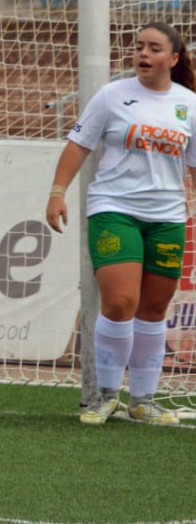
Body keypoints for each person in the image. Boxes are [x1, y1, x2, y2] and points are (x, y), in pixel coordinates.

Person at [47, 22, 196, 427]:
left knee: (152, 310)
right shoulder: (112, 96)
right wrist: (57, 192)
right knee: (120, 303)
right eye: (138, 47)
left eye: (154, 49)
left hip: (167, 217)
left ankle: (143, 401)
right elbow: (78, 145)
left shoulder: (189, 103)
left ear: (174, 59)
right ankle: (106, 396)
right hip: (114, 210)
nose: (143, 55)